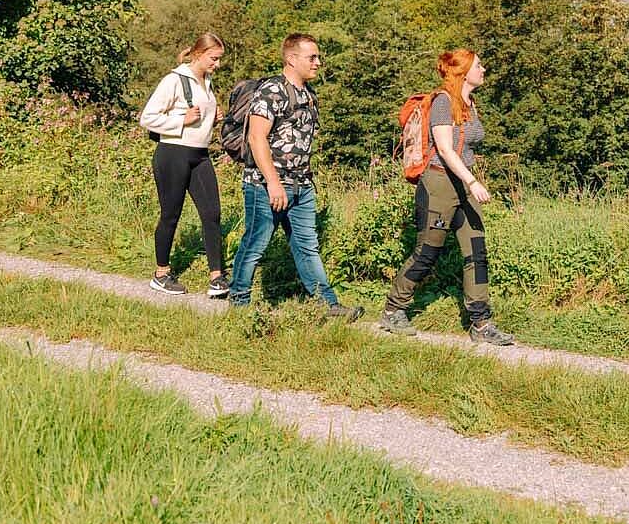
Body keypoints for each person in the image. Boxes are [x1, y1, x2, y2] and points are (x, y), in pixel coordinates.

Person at [217, 33, 363, 320]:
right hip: (265, 184)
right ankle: (240, 304)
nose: (318, 62)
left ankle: (328, 306)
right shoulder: (272, 91)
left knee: (307, 246)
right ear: (291, 59)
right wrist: (273, 182)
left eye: (318, 57)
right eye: (312, 57)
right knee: (256, 243)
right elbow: (257, 138)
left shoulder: (309, 95)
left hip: (301, 185)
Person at [378, 49, 514, 345]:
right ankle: (393, 309)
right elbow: (444, 149)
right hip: (440, 183)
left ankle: (481, 323)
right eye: (479, 65)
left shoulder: (469, 103)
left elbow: (464, 148)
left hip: (463, 185)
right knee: (427, 252)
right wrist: (472, 180)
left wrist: (469, 180)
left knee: (476, 250)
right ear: (464, 71)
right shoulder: (442, 102)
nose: (484, 69)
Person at [138, 32, 227, 295]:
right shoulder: (173, 80)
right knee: (170, 215)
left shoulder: (207, 82)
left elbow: (199, 119)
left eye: (219, 60)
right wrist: (181, 121)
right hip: (172, 153)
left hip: (200, 155)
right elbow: (147, 117)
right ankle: (161, 274)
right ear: (199, 54)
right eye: (214, 59)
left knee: (212, 213)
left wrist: (214, 118)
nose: (217, 65)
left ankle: (217, 277)